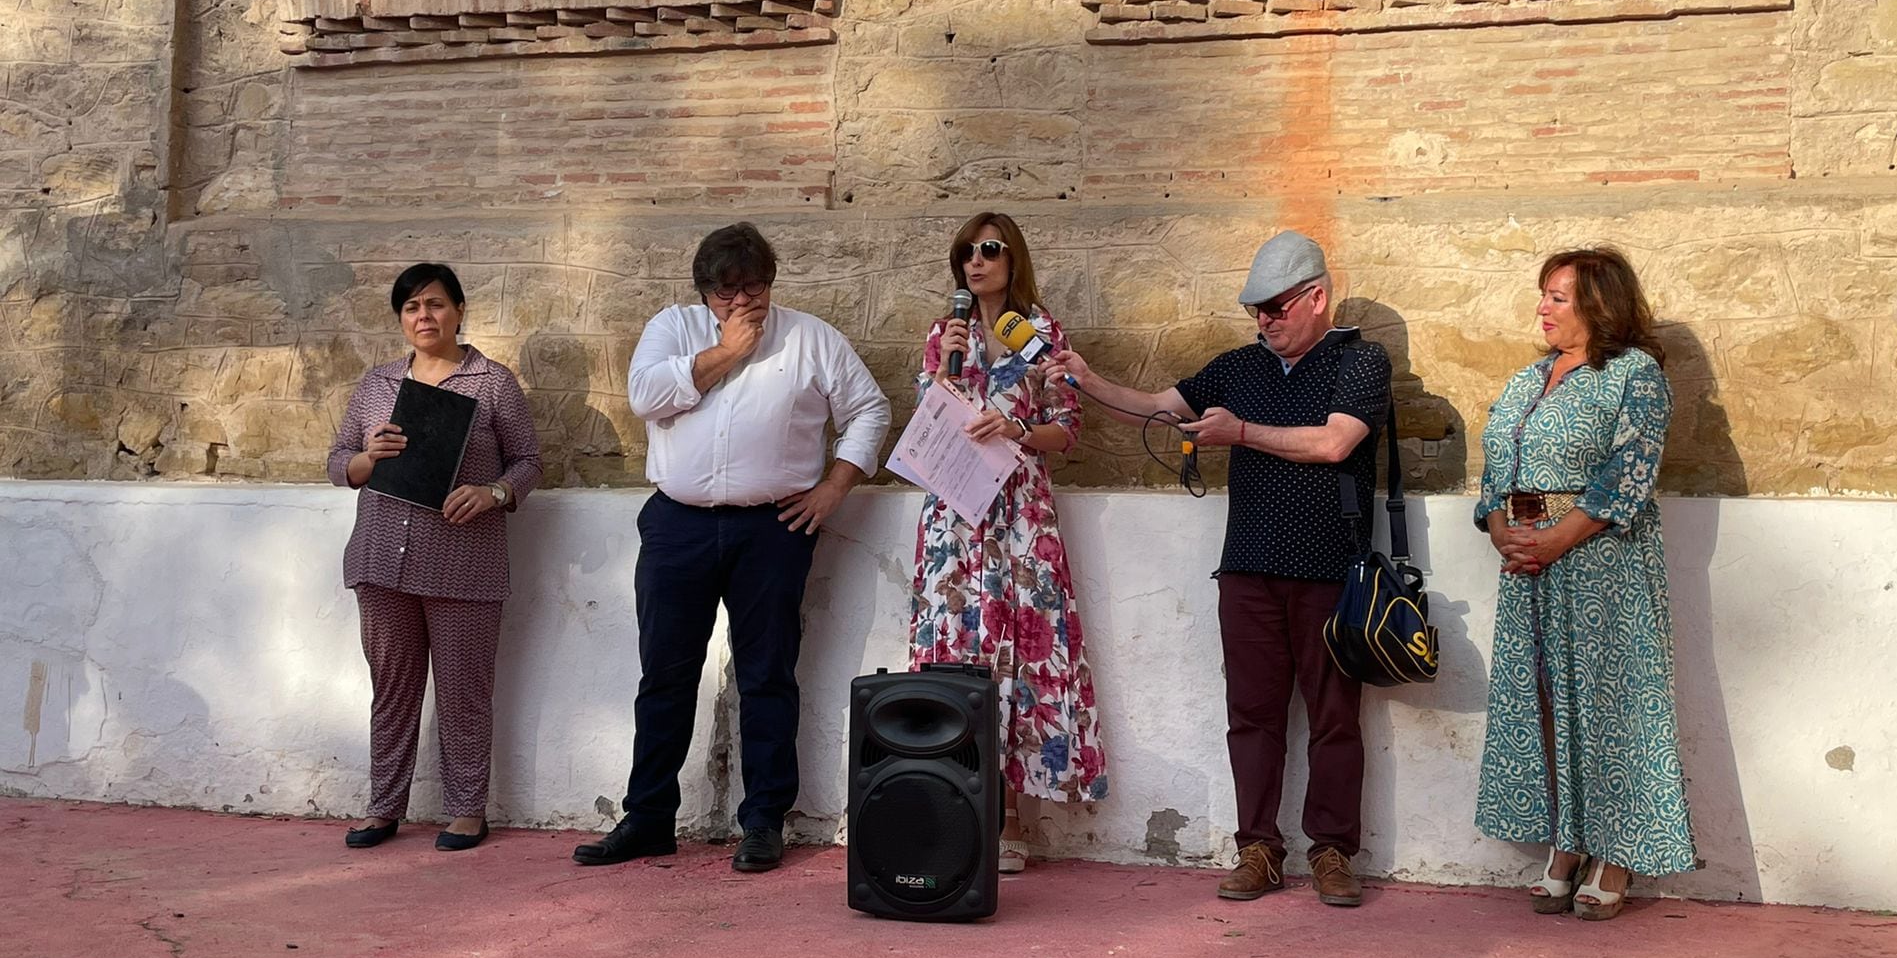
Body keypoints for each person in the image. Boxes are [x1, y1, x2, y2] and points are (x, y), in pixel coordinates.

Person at [1051, 231, 1390, 906]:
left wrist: (1239, 433)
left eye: (1276, 307)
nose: (1264, 321)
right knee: (1252, 715)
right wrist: (1086, 380)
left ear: (1316, 298)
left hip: (1331, 570)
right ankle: (1258, 849)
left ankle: (1332, 854)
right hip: (1249, 568)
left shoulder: (1361, 360)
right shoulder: (1239, 366)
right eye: (1256, 310)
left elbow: (1335, 442)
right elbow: (1154, 406)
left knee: (1334, 719)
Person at [574, 223, 890, 874]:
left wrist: (835, 486)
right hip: (677, 525)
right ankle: (649, 818)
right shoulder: (674, 329)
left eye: (754, 287)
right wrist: (726, 351)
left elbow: (870, 410)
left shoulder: (811, 338)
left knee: (767, 676)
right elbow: (644, 396)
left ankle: (765, 820)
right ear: (704, 294)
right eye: (726, 292)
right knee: (665, 675)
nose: (742, 301)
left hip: (773, 528)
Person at [1473, 247, 1696, 920]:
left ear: (1601, 305)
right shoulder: (1526, 380)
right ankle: (1566, 846)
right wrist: (1498, 529)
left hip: (1602, 562)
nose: (1542, 307)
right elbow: (1493, 475)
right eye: (1542, 295)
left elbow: (1631, 469)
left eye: (1558, 298)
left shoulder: (1634, 375)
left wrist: (1555, 540)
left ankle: (1617, 854)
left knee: (1611, 705)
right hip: (1528, 565)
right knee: (1542, 700)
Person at [911, 212, 1106, 872]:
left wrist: (1015, 430)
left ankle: (1014, 818)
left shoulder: (1041, 335)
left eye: (989, 249)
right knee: (956, 657)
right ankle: (958, 807)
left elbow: (1067, 429)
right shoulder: (946, 335)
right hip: (955, 519)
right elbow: (927, 417)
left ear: (1012, 257)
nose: (976, 261)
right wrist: (947, 378)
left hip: (1020, 518)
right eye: (966, 250)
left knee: (1018, 656)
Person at [326, 262, 543, 853]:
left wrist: (493, 492)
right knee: (391, 687)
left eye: (436, 304)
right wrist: (366, 459)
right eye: (412, 307)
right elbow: (338, 461)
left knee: (463, 688)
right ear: (401, 319)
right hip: (381, 559)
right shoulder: (376, 384)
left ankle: (468, 809)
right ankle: (383, 807)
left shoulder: (492, 383)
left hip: (462, 562)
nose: (425, 316)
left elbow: (528, 462)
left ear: (459, 310)